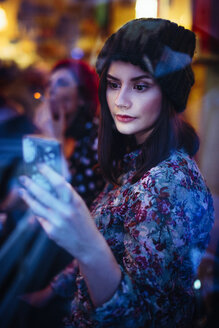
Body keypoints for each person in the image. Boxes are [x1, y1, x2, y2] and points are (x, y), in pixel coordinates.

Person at [19, 18, 215, 328]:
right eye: (113, 84)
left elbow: (144, 319)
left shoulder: (168, 182)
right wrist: (51, 290)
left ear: (167, 94)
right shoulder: (136, 160)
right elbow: (108, 242)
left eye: (140, 85)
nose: (121, 100)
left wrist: (86, 244)